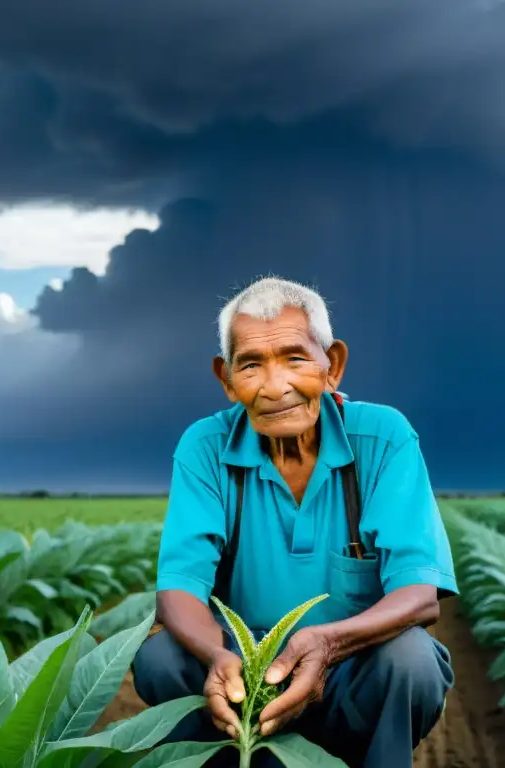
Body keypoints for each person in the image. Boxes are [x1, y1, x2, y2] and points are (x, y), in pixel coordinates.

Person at [132, 276, 457, 767]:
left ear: (333, 367)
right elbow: (178, 591)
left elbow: (419, 596)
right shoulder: (204, 447)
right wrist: (223, 659)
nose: (275, 385)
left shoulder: (383, 437)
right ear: (227, 379)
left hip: (348, 673)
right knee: (160, 660)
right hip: (243, 680)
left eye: (295, 358)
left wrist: (326, 645)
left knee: (411, 661)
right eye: (251, 365)